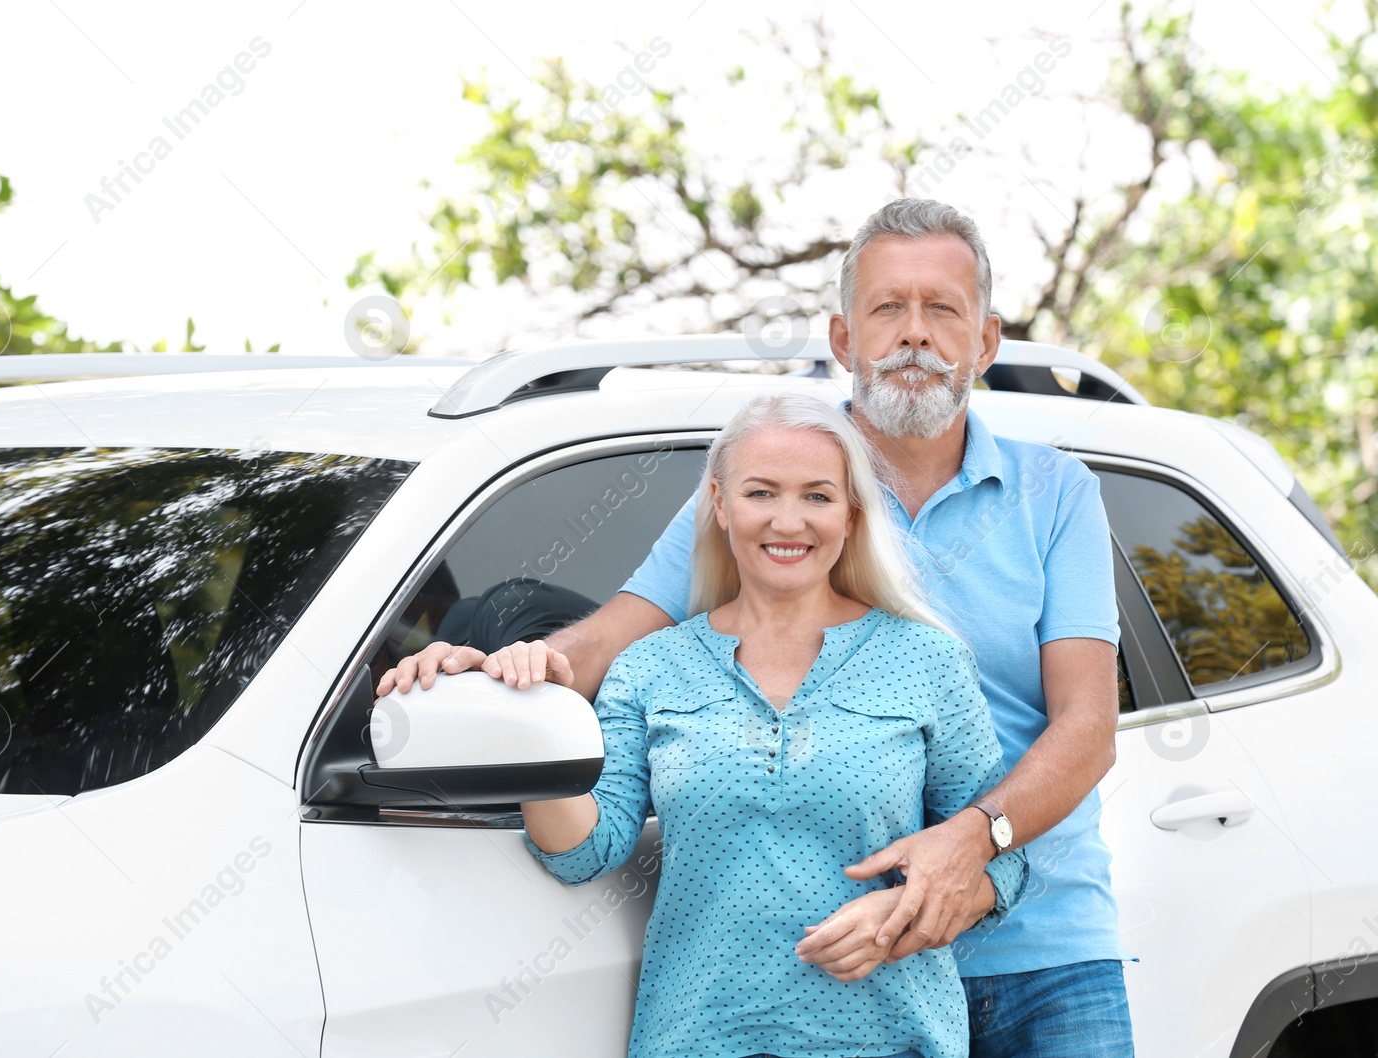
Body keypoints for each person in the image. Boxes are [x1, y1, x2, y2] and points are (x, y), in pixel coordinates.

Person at [379, 198, 1132, 1058]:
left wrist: (972, 843)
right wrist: (505, 678)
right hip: (802, 980)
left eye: (942, 309)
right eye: (887, 308)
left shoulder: (1056, 495)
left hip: (1043, 940)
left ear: (986, 341)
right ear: (843, 340)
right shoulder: (784, 475)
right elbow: (617, 637)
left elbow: (1089, 725)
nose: (914, 334)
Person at [515, 391, 1026, 1058]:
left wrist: (903, 916)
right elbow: (589, 850)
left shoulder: (927, 659)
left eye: (817, 496)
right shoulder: (650, 668)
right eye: (761, 493)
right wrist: (521, 721)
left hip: (890, 1041)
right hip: (698, 1040)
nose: (789, 521)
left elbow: (1003, 860)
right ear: (722, 505)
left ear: (852, 514)